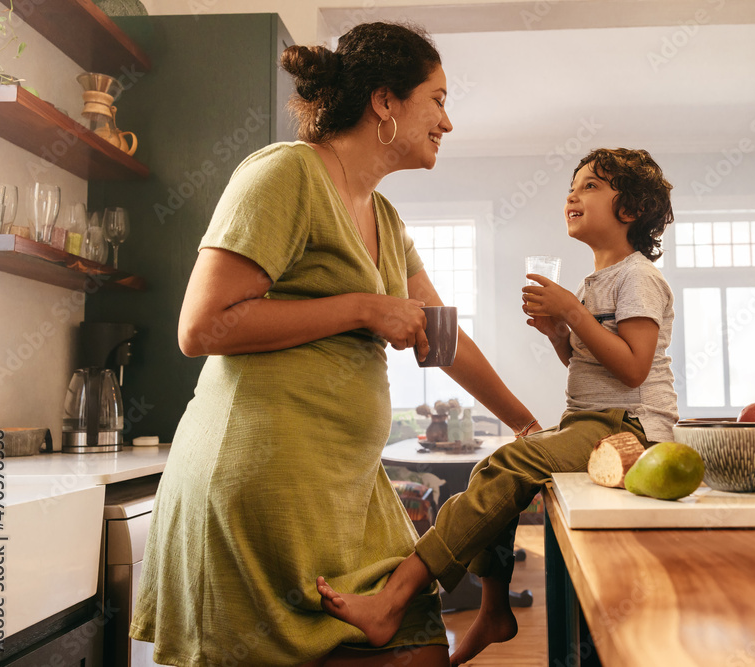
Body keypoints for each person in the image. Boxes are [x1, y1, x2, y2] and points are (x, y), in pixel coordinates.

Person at [129, 22, 539, 667]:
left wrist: (524, 422)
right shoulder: (284, 173)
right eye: (437, 99)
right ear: (385, 100)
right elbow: (201, 327)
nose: (447, 122)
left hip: (345, 487)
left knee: (419, 650)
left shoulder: (385, 217)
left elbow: (442, 338)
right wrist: (362, 307)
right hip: (258, 481)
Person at [317, 147, 680, 665]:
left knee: (511, 461)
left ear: (631, 210)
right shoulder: (593, 281)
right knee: (495, 465)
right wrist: (560, 333)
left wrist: (573, 315)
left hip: (632, 429)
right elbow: (595, 369)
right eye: (572, 187)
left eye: (592, 186)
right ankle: (493, 607)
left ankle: (395, 598)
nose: (573, 194)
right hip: (591, 419)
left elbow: (633, 369)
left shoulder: (637, 276)